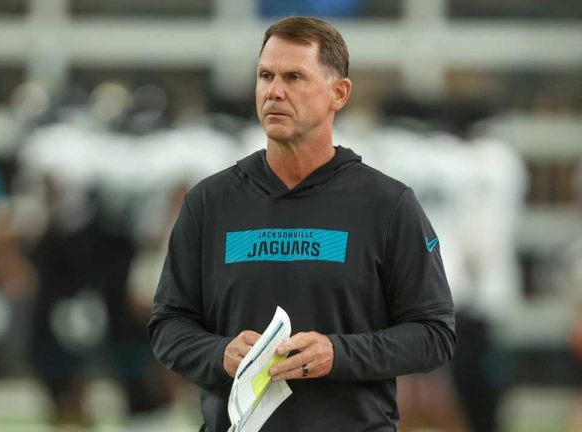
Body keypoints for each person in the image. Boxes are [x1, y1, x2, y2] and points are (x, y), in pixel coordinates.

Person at [148, 16, 456, 431]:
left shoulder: (388, 204)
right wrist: (219, 353)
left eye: (293, 77)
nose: (274, 91)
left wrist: (338, 353)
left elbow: (434, 335)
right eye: (265, 75)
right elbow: (168, 327)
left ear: (338, 93)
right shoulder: (209, 202)